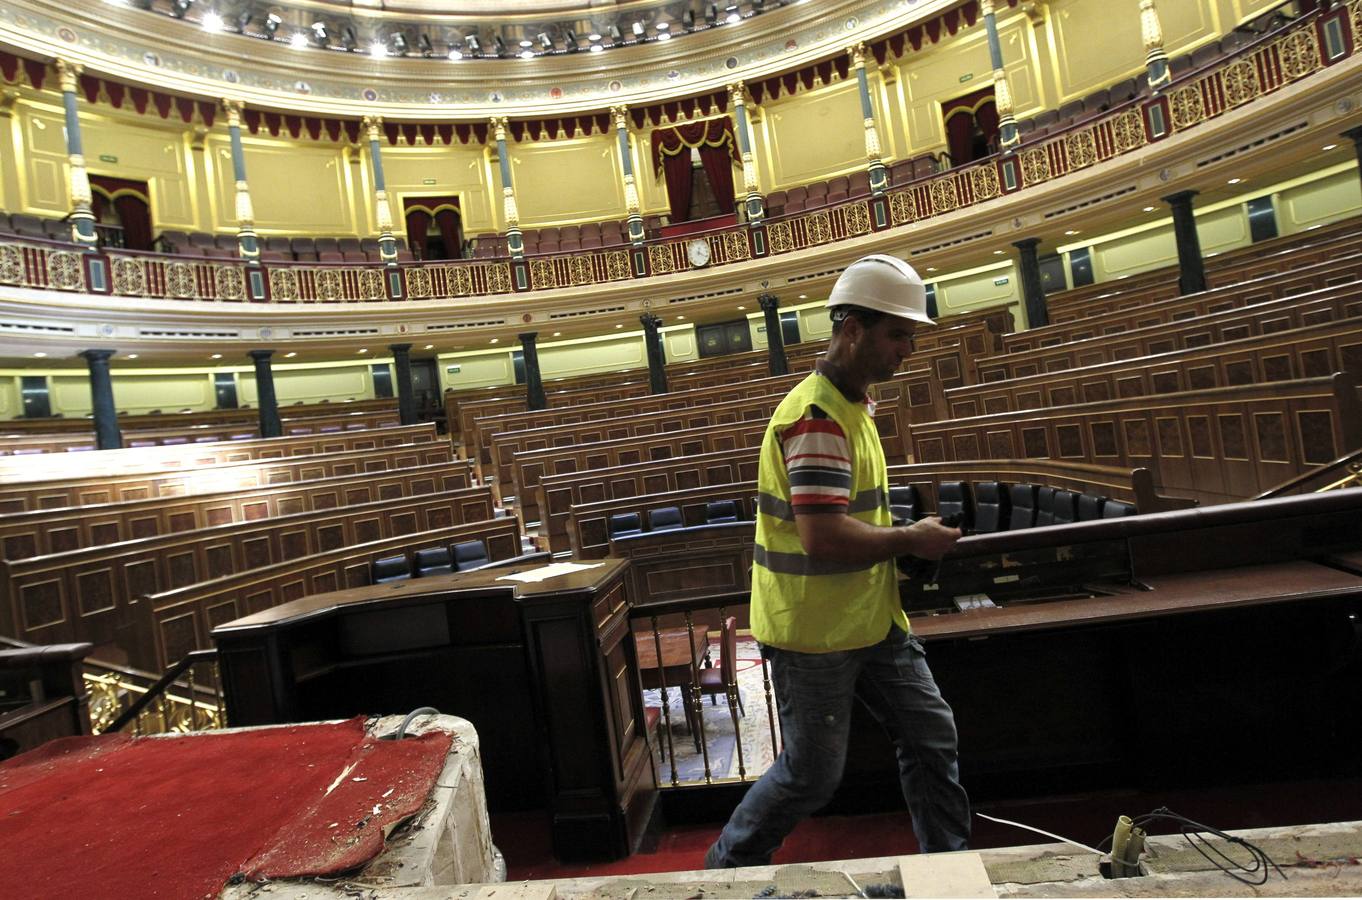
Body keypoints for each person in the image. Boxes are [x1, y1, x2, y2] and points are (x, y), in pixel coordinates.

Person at [704, 254, 971, 869]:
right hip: (814, 631)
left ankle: (951, 869)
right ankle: (727, 868)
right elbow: (822, 536)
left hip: (868, 618)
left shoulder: (854, 404)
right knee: (810, 776)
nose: (908, 349)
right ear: (851, 328)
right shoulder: (818, 417)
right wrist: (910, 540)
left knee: (930, 734)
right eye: (897, 334)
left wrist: (900, 546)